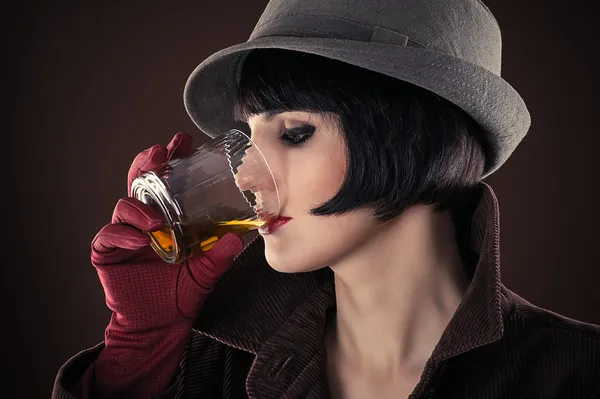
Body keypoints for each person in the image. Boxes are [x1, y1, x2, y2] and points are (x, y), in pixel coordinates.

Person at [53, 0, 600, 398]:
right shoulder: (211, 368)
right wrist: (141, 347)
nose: (244, 180)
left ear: (413, 139)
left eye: (294, 133)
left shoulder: (576, 374)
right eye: (247, 134)